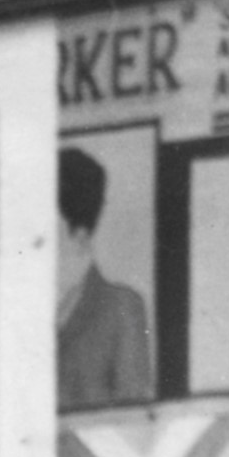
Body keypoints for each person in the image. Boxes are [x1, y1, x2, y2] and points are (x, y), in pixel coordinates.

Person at [56, 146, 154, 411]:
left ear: (81, 238)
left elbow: (134, 421)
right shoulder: (19, 314)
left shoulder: (121, 308)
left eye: (43, 239)